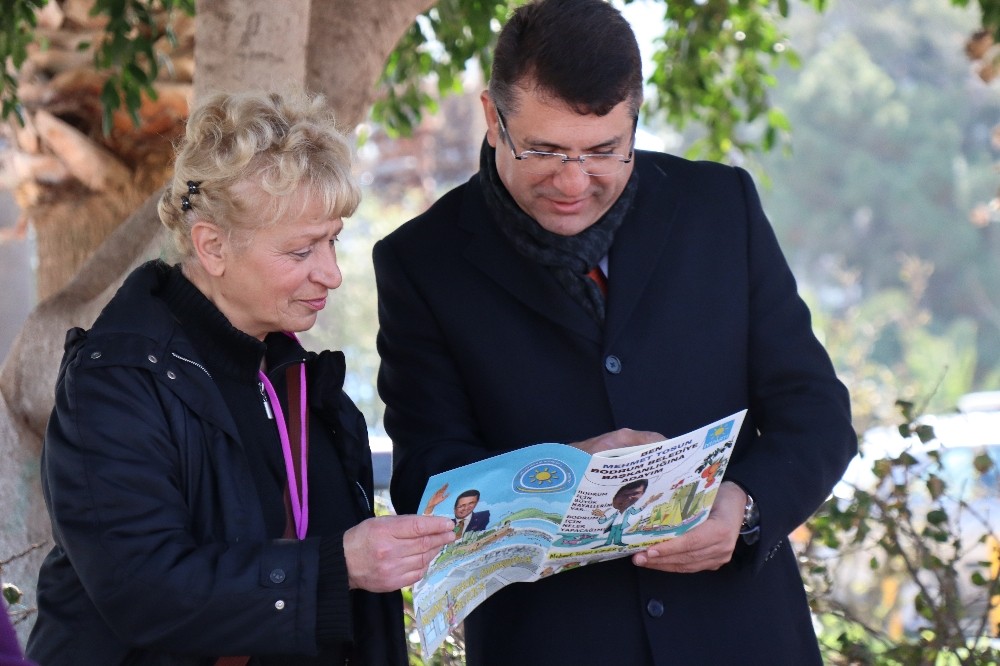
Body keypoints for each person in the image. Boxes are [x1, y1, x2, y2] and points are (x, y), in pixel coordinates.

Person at [373, 0, 856, 663]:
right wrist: (560, 473)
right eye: (544, 149)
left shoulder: (721, 207)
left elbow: (816, 412)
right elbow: (426, 478)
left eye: (603, 151)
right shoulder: (421, 262)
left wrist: (744, 508)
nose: (573, 181)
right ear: (492, 117)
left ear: (635, 119)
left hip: (742, 636)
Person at [26, 90, 455, 666]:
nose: (331, 273)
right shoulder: (114, 384)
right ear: (212, 246)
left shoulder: (294, 373)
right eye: (301, 251)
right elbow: (144, 593)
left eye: (332, 240)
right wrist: (339, 566)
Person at [423, 487, 491, 536]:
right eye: (461, 506)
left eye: (471, 503)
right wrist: (430, 507)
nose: (466, 508)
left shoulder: (484, 516)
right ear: (454, 509)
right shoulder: (447, 524)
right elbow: (427, 528)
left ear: (477, 503)